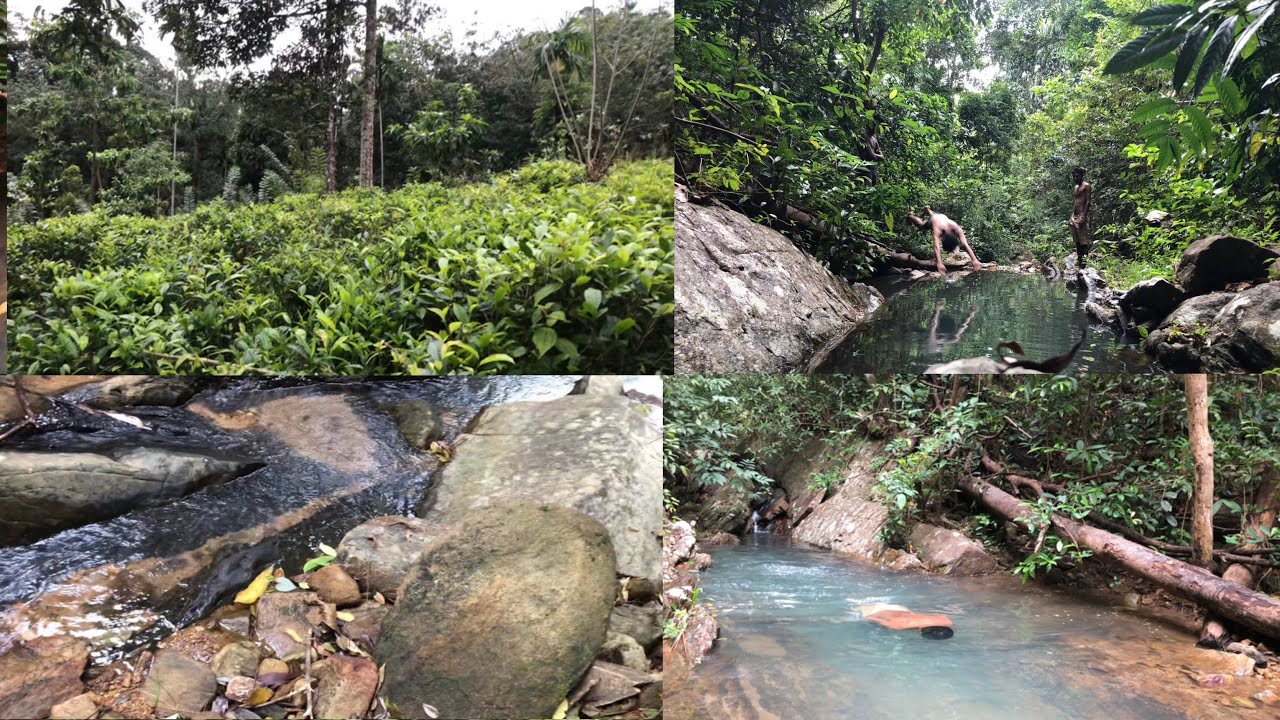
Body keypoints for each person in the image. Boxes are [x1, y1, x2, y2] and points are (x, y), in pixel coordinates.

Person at [906, 206, 983, 274]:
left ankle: (927, 210)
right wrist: (939, 263)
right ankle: (911, 216)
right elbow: (936, 246)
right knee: (921, 225)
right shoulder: (938, 230)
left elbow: (965, 244)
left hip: (940, 217)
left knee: (935, 217)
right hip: (934, 219)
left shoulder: (957, 228)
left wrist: (974, 259)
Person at [1070, 166, 1092, 269]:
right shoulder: (1075, 188)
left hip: (1081, 216)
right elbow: (1075, 202)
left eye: (1077, 176)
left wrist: (1083, 215)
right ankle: (1080, 265)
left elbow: (1088, 201)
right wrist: (1071, 216)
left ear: (1082, 176)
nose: (1075, 178)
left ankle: (1084, 265)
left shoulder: (1086, 186)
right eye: (1074, 176)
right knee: (1077, 242)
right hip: (1074, 217)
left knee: (1083, 242)